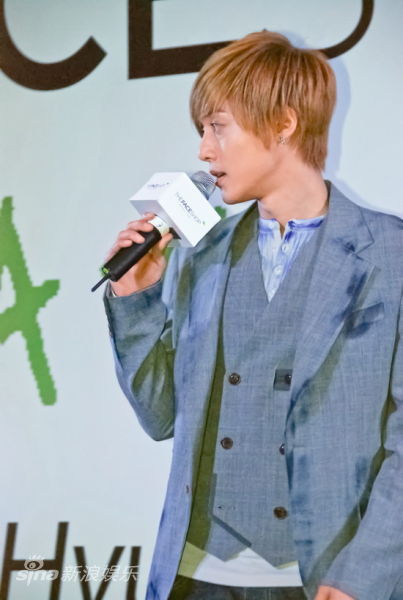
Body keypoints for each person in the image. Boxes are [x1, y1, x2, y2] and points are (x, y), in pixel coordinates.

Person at [103, 31, 403, 600]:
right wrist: (136, 298)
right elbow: (159, 417)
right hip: (195, 575)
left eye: (218, 127)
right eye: (202, 131)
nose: (204, 151)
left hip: (317, 577)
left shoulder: (389, 253)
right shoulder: (200, 252)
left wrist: (363, 575)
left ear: (284, 123)